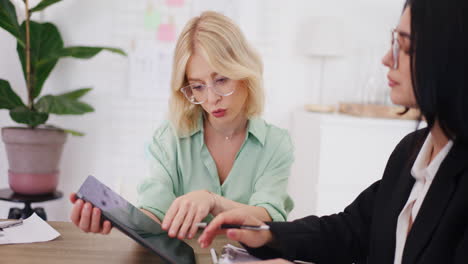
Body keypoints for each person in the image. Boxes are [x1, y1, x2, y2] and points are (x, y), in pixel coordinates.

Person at [198, 0, 468, 263]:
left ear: (451, 56)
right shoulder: (410, 151)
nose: (387, 59)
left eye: (405, 47)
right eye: (394, 42)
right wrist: (267, 234)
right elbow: (349, 230)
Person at [69, 11, 294, 241]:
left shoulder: (275, 143)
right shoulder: (171, 138)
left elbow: (269, 220)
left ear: (244, 73)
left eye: (221, 80)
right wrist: (117, 220)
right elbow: (155, 212)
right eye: (197, 86)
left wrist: (213, 201)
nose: (211, 98)